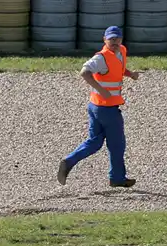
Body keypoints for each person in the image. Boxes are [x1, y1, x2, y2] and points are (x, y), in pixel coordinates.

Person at [57, 25, 140, 188]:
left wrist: (130, 74)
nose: (115, 42)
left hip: (96, 106)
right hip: (106, 109)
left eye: (117, 39)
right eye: (111, 39)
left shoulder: (121, 51)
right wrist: (102, 90)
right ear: (104, 40)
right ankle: (117, 178)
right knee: (117, 144)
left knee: (94, 142)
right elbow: (84, 72)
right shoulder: (101, 58)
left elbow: (119, 69)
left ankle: (68, 162)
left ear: (121, 40)